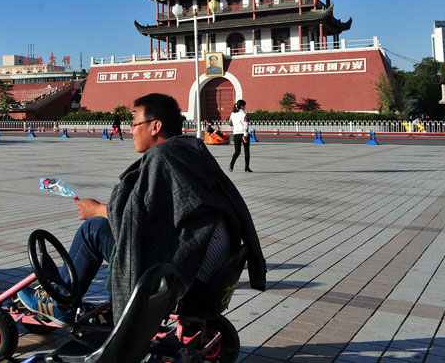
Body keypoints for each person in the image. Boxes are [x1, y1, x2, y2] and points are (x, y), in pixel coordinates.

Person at [18, 93, 266, 324]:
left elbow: (137, 220)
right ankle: (105, 303)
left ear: (155, 126)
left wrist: (97, 210)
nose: (130, 130)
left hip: (187, 273)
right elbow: (161, 215)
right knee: (114, 235)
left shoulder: (163, 158)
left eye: (135, 123)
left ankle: (61, 304)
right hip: (214, 269)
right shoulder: (192, 151)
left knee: (93, 230)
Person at [228, 100, 251, 172]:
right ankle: (246, 168)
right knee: (246, 152)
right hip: (243, 134)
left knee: (237, 152)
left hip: (235, 134)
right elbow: (246, 125)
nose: (245, 107)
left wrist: (236, 126)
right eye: (244, 105)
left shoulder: (232, 114)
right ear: (242, 106)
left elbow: (230, 124)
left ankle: (231, 165)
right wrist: (245, 135)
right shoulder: (244, 114)